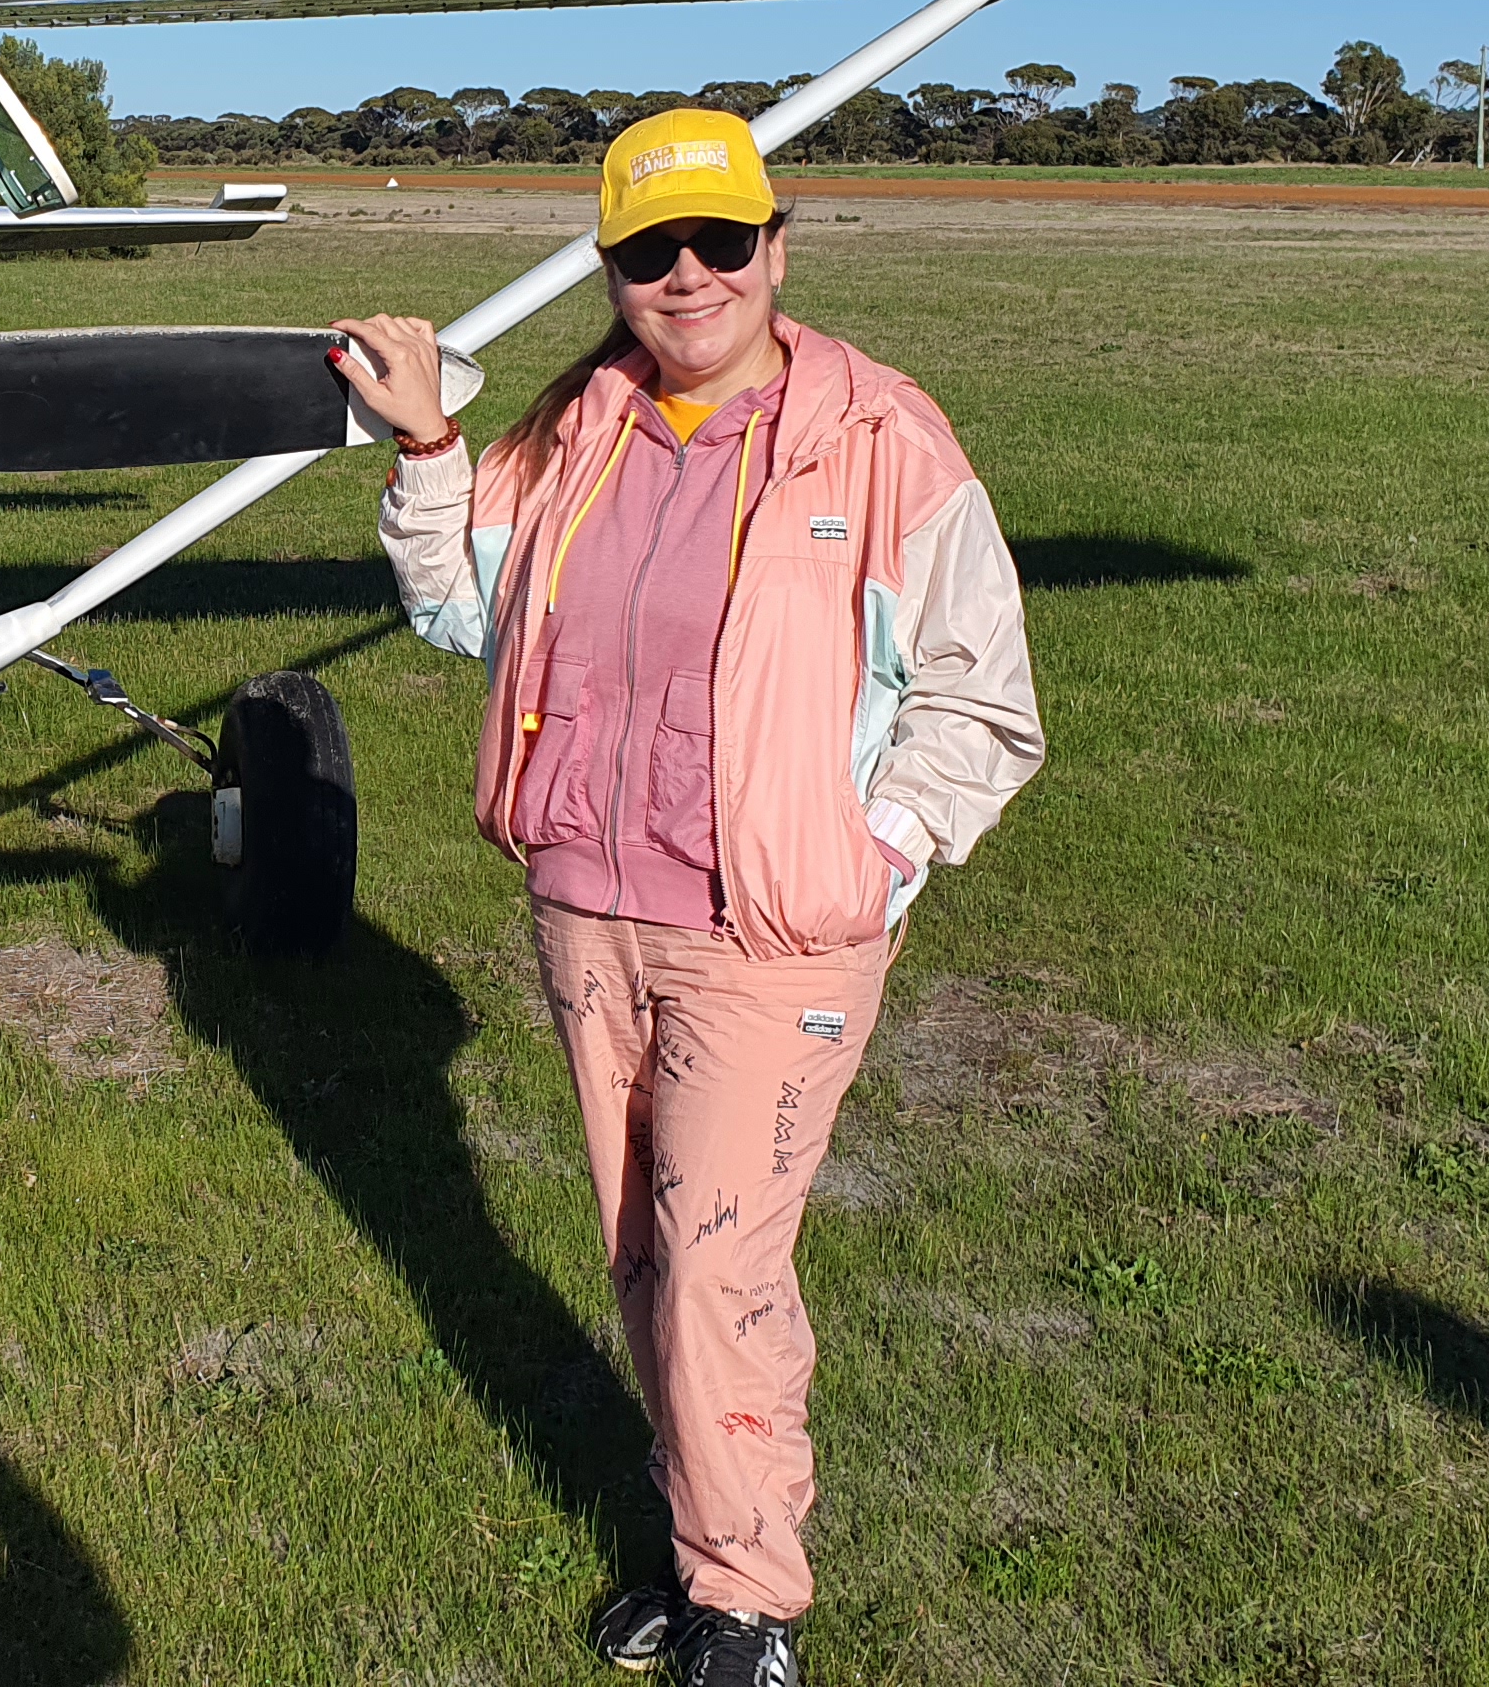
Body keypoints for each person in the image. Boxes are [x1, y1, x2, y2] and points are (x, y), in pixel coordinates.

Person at [332, 108, 1043, 1687]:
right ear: (611, 271)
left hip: (772, 932)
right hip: (590, 912)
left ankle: (749, 1605)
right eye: (652, 251)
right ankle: (702, 1534)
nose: (689, 276)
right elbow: (461, 610)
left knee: (720, 1263)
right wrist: (432, 452)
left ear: (776, 250)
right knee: (650, 1257)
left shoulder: (880, 438)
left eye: (722, 241)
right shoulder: (579, 429)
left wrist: (875, 849)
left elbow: (981, 698)